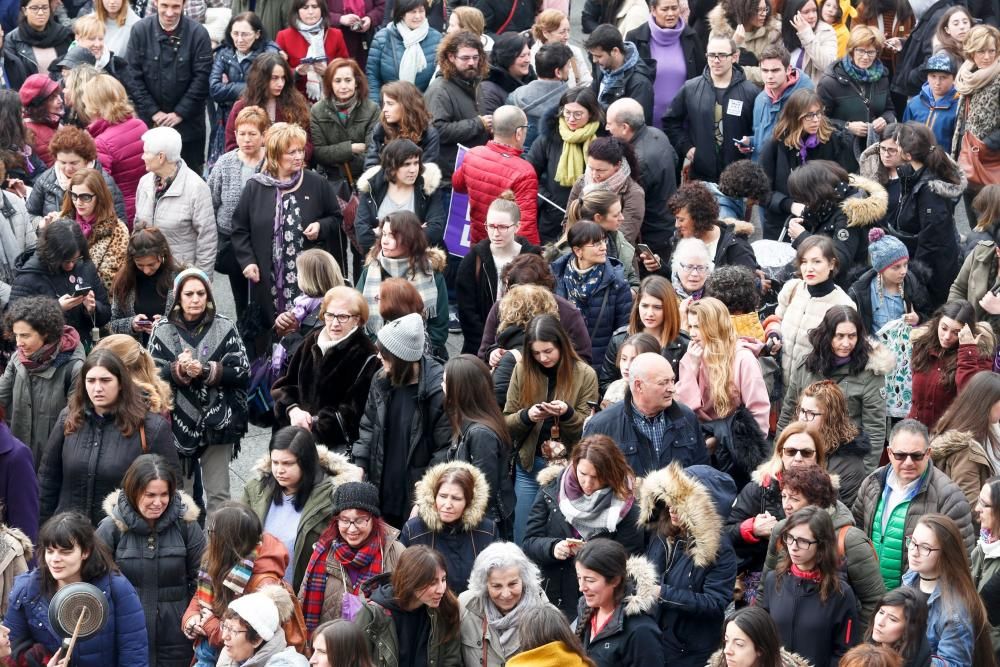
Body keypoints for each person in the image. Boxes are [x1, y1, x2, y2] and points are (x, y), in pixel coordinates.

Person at [230, 122, 345, 352]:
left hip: (306, 282)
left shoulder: (316, 183)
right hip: (267, 278)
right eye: (291, 152)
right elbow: (239, 228)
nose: (298, 156)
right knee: (270, 339)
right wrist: (248, 261)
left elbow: (336, 218)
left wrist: (320, 227)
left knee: (306, 339)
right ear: (274, 155)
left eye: (300, 150)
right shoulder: (255, 187)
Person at [147, 268, 250, 512]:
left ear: (209, 296)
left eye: (201, 293)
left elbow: (243, 371)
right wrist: (178, 371)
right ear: (178, 298)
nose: (196, 299)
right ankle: (187, 547)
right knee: (181, 496)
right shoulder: (162, 329)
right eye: (189, 294)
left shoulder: (225, 326)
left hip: (218, 421)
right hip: (176, 422)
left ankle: (219, 547)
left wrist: (206, 371)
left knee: (220, 495)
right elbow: (150, 375)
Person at [38, 348, 177, 524]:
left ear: (120, 383)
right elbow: (48, 481)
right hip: (70, 538)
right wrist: (43, 532)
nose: (97, 388)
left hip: (125, 538)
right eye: (91, 381)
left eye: (105, 380)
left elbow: (172, 489)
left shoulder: (152, 427)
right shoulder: (69, 418)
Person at [95, 454, 206, 667]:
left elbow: (203, 579)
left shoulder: (187, 526)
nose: (158, 502)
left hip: (177, 638)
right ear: (133, 491)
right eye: (150, 495)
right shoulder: (111, 529)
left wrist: (191, 616)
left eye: (164, 494)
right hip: (126, 635)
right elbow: (95, 583)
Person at [3, 512, 147, 667]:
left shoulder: (117, 588)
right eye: (50, 551)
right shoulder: (27, 591)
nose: (55, 559)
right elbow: (9, 654)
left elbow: (134, 654)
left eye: (65, 552)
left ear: (85, 552)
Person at [523, 435, 644, 617]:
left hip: (597, 605)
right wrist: (553, 547)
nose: (587, 483)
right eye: (582, 474)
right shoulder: (552, 489)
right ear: (574, 465)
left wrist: (592, 555)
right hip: (551, 597)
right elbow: (529, 542)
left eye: (596, 477)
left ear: (611, 474)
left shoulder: (628, 510)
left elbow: (627, 564)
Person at [504, 314, 600, 543]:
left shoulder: (585, 374)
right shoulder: (522, 369)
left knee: (563, 537)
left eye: (548, 351)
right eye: (536, 353)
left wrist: (567, 413)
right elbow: (506, 422)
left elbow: (589, 430)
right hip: (530, 464)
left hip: (568, 469)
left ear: (561, 345)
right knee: (524, 535)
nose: (543, 358)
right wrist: (527, 416)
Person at [351, 313, 450, 528]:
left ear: (401, 359)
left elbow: (443, 452)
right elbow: (368, 426)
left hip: (414, 499)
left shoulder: (437, 393)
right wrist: (359, 465)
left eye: (384, 356)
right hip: (382, 490)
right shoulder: (381, 381)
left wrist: (424, 497)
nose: (379, 358)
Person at [851, 419, 975, 590]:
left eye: (916, 456)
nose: (908, 462)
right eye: (901, 455)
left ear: (928, 453)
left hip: (918, 604)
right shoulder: (872, 483)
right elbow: (856, 536)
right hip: (870, 599)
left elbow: (962, 563)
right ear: (889, 453)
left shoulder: (949, 497)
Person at [181, 502, 306, 667]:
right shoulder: (219, 562)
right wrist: (191, 619)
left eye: (213, 533)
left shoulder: (263, 583)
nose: (210, 538)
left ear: (229, 541)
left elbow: (254, 638)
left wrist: (212, 626)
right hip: (213, 652)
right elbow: (201, 597)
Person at [637, 463, 738, 666]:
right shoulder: (661, 532)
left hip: (689, 652)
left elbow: (715, 603)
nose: (673, 508)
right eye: (672, 499)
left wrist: (663, 593)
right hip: (654, 640)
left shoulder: (721, 550)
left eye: (682, 502)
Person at [761, 465, 886, 625]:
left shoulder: (850, 540)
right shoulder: (780, 530)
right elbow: (765, 590)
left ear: (817, 502)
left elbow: (874, 601)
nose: (786, 505)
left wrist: (853, 643)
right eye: (784, 496)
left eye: (794, 499)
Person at [242, 427, 360, 591]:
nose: (279, 470)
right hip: (254, 589)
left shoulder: (331, 498)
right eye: (275, 462)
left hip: (303, 593)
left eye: (287, 463)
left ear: (305, 462)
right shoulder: (256, 488)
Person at [778, 306, 891, 471]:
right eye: (840, 336)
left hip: (844, 461)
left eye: (852, 336)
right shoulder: (806, 366)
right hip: (803, 454)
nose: (846, 343)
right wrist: (779, 458)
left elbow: (874, 430)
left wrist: (864, 475)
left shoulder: (870, 373)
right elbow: (788, 413)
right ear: (828, 335)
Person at [272, 285, 379, 450]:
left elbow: (353, 414)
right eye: (330, 315)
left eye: (343, 316)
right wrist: (293, 410)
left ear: (357, 319)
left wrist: (312, 424)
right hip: (293, 442)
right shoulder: (312, 340)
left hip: (330, 450)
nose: (335, 323)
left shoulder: (368, 355)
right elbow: (285, 385)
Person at [725, 422, 822, 603]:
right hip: (761, 585)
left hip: (812, 589)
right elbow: (724, 534)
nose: (798, 458)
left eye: (807, 453)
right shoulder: (759, 488)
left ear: (817, 457)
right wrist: (750, 528)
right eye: (791, 451)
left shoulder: (826, 495)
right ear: (780, 453)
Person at [676, 297, 769, 477]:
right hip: (701, 442)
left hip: (736, 446)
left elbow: (758, 412)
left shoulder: (743, 359)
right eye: (692, 326)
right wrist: (692, 368)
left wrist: (749, 452)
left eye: (699, 327)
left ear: (714, 327)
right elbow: (683, 409)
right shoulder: (692, 354)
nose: (693, 333)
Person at [298, 481, 405, 631]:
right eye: (344, 520)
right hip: (327, 644)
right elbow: (304, 598)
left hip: (373, 647)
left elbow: (405, 604)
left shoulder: (395, 552)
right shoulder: (323, 550)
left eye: (360, 520)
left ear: (373, 519)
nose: (352, 528)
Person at [760, 506, 861, 665]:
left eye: (803, 541)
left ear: (822, 545)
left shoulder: (841, 593)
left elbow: (845, 652)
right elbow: (763, 635)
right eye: (789, 537)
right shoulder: (773, 580)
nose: (793, 546)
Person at [584, 352, 707, 476]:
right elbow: (586, 480)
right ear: (639, 386)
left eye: (672, 380)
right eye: (663, 383)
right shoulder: (602, 426)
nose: (672, 388)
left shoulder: (687, 418)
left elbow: (703, 473)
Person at [885, 121, 966, 307]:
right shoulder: (916, 174)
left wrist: (911, 272)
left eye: (896, 144)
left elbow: (932, 242)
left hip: (931, 272)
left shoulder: (929, 191)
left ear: (907, 154)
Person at [126, 0, 212, 174]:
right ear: (156, 3)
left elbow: (202, 78)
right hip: (150, 124)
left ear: (184, 4)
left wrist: (180, 113)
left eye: (175, 7)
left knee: (189, 177)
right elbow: (133, 77)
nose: (170, 12)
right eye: (164, 6)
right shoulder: (140, 31)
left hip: (188, 126)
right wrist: (153, 112)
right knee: (150, 178)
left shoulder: (198, 34)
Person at [0, 296, 84, 467]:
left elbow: (76, 423)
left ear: (46, 332)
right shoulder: (18, 359)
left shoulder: (74, 368)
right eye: (16, 335)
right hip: (20, 461)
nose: (18, 343)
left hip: (55, 463)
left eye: (25, 336)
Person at [663, 34, 758, 183]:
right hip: (701, 176)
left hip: (739, 177)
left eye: (722, 55)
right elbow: (670, 121)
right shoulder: (691, 88)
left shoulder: (751, 92)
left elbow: (759, 130)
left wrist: (751, 144)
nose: (716, 60)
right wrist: (686, 146)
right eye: (712, 55)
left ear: (734, 57)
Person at [761, 235, 856, 384]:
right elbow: (777, 319)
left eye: (817, 261)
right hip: (781, 383)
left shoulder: (843, 304)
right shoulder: (792, 288)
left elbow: (844, 352)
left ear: (831, 264)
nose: (809, 268)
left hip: (814, 391)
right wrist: (774, 334)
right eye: (804, 262)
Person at [902, 514, 994, 666]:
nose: (914, 551)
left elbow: (954, 663)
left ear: (945, 553)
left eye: (925, 547)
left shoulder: (955, 609)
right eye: (912, 542)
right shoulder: (910, 577)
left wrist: (903, 659)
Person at [456, 192, 541, 355]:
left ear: (517, 226)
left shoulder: (533, 260)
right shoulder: (473, 260)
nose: (496, 233)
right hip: (480, 347)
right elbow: (467, 313)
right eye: (491, 226)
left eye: (503, 227)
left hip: (523, 345)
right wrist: (487, 348)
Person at [759, 90, 853, 237]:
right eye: (809, 115)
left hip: (822, 223)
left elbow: (844, 181)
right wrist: (790, 205)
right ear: (794, 116)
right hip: (782, 223)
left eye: (818, 113)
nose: (816, 120)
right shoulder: (775, 144)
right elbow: (762, 192)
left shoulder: (833, 140)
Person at [352, 545, 461, 667]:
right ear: (411, 581)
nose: (441, 589)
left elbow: (452, 661)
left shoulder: (445, 608)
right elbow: (356, 661)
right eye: (432, 582)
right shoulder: (372, 613)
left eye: (444, 579)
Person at [784, 160, 887, 287]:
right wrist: (804, 223)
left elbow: (839, 261)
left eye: (805, 198)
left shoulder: (849, 214)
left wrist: (802, 237)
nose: (804, 203)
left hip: (847, 288)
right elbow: (824, 228)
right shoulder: (828, 204)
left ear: (816, 192)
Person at [400, 462, 497, 595]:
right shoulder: (413, 530)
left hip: (473, 609)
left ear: (468, 502)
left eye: (456, 498)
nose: (448, 504)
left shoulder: (487, 530)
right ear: (434, 496)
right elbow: (401, 579)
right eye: (443, 496)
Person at [477, 254, 594, 365]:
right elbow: (484, 354)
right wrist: (493, 353)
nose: (523, 301)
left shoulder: (567, 312)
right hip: (508, 379)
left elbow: (582, 358)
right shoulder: (501, 307)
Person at [441, 354, 513, 532]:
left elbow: (483, 490)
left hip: (482, 526)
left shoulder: (481, 434)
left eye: (445, 382)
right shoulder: (470, 423)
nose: (441, 386)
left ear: (459, 388)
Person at [9, 218, 111, 342]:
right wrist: (56, 308)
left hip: (82, 346)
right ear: (52, 254)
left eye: (75, 259)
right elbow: (14, 326)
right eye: (66, 261)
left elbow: (106, 314)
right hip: (45, 354)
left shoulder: (84, 265)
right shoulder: (28, 277)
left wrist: (92, 309)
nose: (71, 266)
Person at [133, 127, 216, 275]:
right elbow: (137, 226)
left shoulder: (196, 188)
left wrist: (201, 279)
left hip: (181, 274)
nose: (142, 157)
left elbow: (207, 240)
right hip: (149, 273)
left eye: (146, 152)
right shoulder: (144, 183)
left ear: (161, 157)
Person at [453, 105, 540, 246]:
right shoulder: (524, 171)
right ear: (518, 133)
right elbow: (526, 227)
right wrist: (534, 259)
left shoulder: (473, 154)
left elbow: (458, 185)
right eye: (526, 128)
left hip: (478, 245)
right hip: (506, 252)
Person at [526, 87, 604, 243]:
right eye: (567, 112)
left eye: (578, 114)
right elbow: (528, 172)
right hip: (553, 217)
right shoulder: (549, 137)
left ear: (591, 114)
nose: (571, 119)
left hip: (590, 218)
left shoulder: (602, 139)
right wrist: (547, 199)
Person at [551, 221, 633, 369]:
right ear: (578, 251)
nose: (604, 247)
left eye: (604, 241)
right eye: (596, 244)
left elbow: (623, 333)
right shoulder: (557, 276)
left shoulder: (617, 283)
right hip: (563, 364)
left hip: (600, 367)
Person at [208, 106, 267, 307]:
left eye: (252, 134)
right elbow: (211, 201)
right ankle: (244, 333)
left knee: (265, 295)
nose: (247, 139)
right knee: (241, 297)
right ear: (235, 134)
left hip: (264, 239)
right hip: (232, 240)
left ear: (263, 135)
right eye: (242, 134)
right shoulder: (225, 163)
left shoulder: (272, 162)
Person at [603, 98, 677, 257]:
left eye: (609, 123)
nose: (606, 128)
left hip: (650, 233)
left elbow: (629, 200)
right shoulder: (657, 133)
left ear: (624, 128)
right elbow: (675, 159)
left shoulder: (637, 161)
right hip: (666, 221)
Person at [572, 538, 664, 667]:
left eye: (590, 580)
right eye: (579, 578)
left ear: (615, 580)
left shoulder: (641, 631)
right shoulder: (585, 606)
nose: (582, 587)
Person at [458, 542, 551, 666]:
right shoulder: (465, 606)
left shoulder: (546, 616)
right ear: (484, 584)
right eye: (496, 586)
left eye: (513, 584)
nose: (506, 594)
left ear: (524, 579)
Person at [817, 26, 896, 170]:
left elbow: (890, 110)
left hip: (873, 153)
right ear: (851, 50)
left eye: (871, 52)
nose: (866, 57)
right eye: (861, 50)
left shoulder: (882, 77)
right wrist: (847, 127)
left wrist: (885, 119)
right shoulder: (830, 82)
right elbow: (819, 120)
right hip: (840, 155)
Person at [908, 300, 994, 428]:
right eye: (944, 328)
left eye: (956, 332)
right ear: (937, 322)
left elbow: (970, 398)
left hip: (950, 436)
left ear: (967, 332)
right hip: (916, 429)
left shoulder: (979, 356)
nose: (947, 336)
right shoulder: (923, 345)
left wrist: (967, 352)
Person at [354, 138, 444, 255]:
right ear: (391, 167)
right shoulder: (371, 188)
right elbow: (362, 235)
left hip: (419, 260)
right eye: (406, 164)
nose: (413, 170)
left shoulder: (427, 188)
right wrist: (415, 232)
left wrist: (381, 233)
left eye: (416, 163)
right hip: (380, 261)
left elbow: (435, 230)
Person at [209, 13, 279, 162]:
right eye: (235, 33)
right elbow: (215, 89)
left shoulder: (267, 54)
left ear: (257, 34)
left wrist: (229, 86)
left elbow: (266, 87)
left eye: (245, 34)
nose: (239, 39)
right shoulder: (224, 53)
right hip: (226, 118)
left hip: (258, 118)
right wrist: (250, 87)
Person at [423, 30, 491, 185]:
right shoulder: (440, 90)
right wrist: (478, 124)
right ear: (451, 57)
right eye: (465, 58)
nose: (472, 63)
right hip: (449, 178)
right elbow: (436, 130)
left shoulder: (473, 83)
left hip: (472, 172)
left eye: (475, 57)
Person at [600, 275, 688, 394]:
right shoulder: (620, 338)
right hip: (625, 409)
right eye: (645, 306)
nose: (649, 313)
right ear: (637, 306)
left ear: (669, 308)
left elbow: (687, 389)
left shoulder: (683, 344)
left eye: (657, 307)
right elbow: (605, 383)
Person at [625, 0, 704, 130]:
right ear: (653, 10)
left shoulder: (691, 37)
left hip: (682, 125)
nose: (671, 13)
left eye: (674, 8)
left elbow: (701, 77)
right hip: (645, 123)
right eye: (665, 9)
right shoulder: (635, 38)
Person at [26, 125, 126, 229]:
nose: (68, 168)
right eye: (63, 162)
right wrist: (41, 224)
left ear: (86, 160)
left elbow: (119, 223)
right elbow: (29, 214)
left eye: (74, 163)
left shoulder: (105, 182)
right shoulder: (45, 180)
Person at [80, 73, 148, 223]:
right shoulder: (140, 125)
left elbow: (100, 189)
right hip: (147, 204)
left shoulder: (101, 142)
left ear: (94, 106)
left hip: (122, 213)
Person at [930, 372, 1000, 512]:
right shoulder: (966, 451)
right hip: (976, 530)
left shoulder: (990, 431)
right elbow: (970, 507)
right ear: (987, 403)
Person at [222, 54, 311, 159]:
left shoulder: (296, 104)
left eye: (283, 78)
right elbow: (231, 145)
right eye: (274, 78)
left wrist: (291, 154)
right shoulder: (242, 106)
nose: (280, 83)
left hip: (290, 167)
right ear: (260, 79)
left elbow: (308, 143)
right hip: (253, 168)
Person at [953, 25, 1000, 221]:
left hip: (990, 161)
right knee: (975, 225)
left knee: (992, 226)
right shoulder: (967, 76)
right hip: (966, 159)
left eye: (992, 50)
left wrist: (986, 145)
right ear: (971, 51)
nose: (987, 57)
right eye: (981, 51)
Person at [848, 228, 932, 336]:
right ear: (881, 269)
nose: (903, 271)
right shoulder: (861, 291)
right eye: (896, 267)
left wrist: (918, 319)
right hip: (875, 349)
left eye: (905, 264)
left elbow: (929, 314)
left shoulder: (913, 283)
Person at [310, 57, 379, 186]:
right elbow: (319, 153)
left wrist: (335, 156)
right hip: (330, 180)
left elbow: (372, 152)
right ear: (330, 83)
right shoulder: (317, 110)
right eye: (337, 81)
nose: (343, 86)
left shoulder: (372, 109)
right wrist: (351, 148)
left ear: (356, 82)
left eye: (348, 80)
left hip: (363, 178)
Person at [58, 167, 129, 291]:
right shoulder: (61, 222)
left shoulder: (117, 230)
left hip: (100, 301)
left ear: (99, 197)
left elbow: (112, 278)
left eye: (85, 197)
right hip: (64, 296)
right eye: (74, 195)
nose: (78, 202)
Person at [749, 43, 814, 179]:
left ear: (788, 69)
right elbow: (760, 135)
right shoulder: (760, 99)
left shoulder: (804, 96)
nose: (769, 76)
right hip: (761, 172)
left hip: (792, 175)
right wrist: (750, 142)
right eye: (765, 71)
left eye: (775, 70)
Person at [108, 227, 180, 341]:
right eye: (140, 265)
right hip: (137, 352)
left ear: (163, 255)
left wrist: (166, 326)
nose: (146, 270)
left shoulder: (178, 279)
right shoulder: (124, 282)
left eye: (151, 264)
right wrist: (131, 324)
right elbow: (113, 324)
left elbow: (194, 320)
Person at [668, 181, 757, 271]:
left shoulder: (735, 247)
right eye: (676, 219)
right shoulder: (679, 238)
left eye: (681, 220)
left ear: (699, 218)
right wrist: (660, 267)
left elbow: (749, 282)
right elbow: (674, 278)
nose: (676, 225)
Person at [366, 0, 442, 104]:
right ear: (402, 13)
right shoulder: (382, 38)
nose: (418, 16)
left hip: (424, 108)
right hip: (390, 107)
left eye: (421, 11)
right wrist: (378, 110)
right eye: (413, 12)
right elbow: (372, 78)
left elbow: (440, 80)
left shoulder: (437, 39)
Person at [274, 0, 349, 104]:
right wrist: (297, 72)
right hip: (295, 100)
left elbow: (347, 68)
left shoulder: (336, 34)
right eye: (305, 8)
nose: (310, 12)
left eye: (314, 7)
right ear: (297, 11)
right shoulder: (284, 36)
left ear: (322, 9)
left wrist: (328, 72)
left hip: (332, 99)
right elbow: (275, 72)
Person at [216, 586, 309, 667]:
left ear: (257, 639)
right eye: (225, 626)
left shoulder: (287, 664)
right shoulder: (230, 655)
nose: (224, 636)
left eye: (233, 630)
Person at [584, 24, 654, 125]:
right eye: (593, 55)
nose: (594, 60)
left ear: (615, 51)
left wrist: (595, 108)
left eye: (598, 56)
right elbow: (592, 92)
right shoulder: (602, 67)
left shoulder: (640, 83)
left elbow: (635, 124)